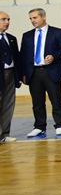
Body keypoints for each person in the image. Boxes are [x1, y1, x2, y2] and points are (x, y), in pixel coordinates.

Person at [20, 8, 61, 139]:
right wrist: (23, 74)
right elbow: (23, 55)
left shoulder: (58, 32)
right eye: (30, 18)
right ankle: (39, 126)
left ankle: (59, 124)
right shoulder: (27, 35)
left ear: (43, 17)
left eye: (35, 17)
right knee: (37, 102)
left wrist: (54, 56)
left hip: (51, 71)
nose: (32, 21)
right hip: (34, 72)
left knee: (56, 99)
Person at [0, 12, 21, 144]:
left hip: (10, 74)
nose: (7, 22)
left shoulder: (12, 39)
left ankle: (4, 133)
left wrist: (19, 76)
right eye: (3, 19)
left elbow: (17, 58)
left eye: (8, 19)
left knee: (8, 104)